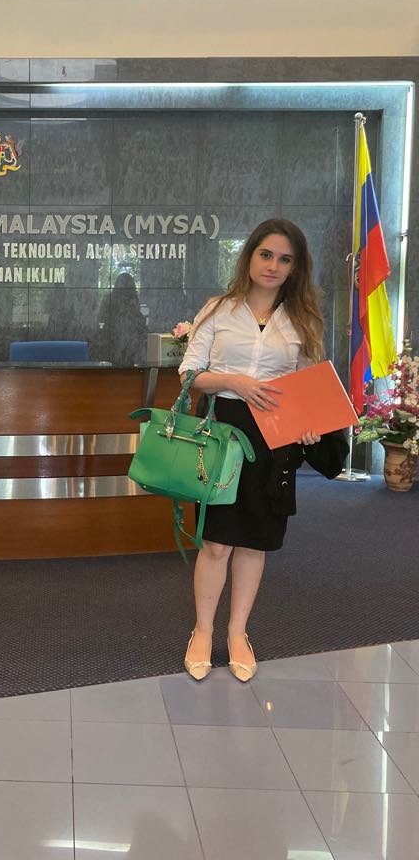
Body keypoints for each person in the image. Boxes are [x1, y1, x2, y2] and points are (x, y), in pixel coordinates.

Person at [178, 218, 332, 683]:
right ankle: (202, 631)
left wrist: (309, 427)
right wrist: (234, 382)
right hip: (225, 431)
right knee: (217, 541)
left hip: (275, 439)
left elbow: (310, 385)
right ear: (249, 257)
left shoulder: (302, 319)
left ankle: (238, 632)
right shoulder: (218, 309)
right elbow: (190, 375)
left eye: (285, 259)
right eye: (266, 254)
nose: (273, 265)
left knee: (254, 542)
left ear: (295, 268)